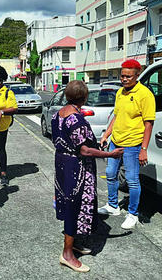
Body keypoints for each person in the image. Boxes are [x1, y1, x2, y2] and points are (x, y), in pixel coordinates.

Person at [52, 81, 123, 273]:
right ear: (84, 98)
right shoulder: (76, 119)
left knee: (69, 203)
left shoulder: (57, 114)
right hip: (76, 166)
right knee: (74, 206)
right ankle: (67, 254)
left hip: (62, 163)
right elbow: (84, 150)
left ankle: (73, 244)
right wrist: (110, 154)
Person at [98, 59, 155, 229]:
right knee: (110, 173)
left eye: (128, 76)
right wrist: (106, 135)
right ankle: (113, 206)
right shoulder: (120, 93)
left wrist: (144, 149)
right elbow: (116, 116)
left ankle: (132, 214)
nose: (124, 79)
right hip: (116, 141)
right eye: (122, 76)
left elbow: (149, 123)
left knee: (132, 180)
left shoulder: (144, 94)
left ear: (137, 75)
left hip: (133, 144)